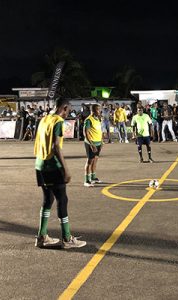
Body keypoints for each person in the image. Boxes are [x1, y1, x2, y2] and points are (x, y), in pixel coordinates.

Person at [34, 98, 86, 249]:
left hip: (40, 164)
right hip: (52, 166)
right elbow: (56, 146)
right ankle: (67, 238)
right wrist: (66, 169)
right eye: (68, 110)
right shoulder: (58, 121)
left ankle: (42, 236)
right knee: (62, 200)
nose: (67, 113)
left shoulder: (44, 119)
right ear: (64, 108)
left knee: (48, 199)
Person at [83, 104, 103, 187]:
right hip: (91, 143)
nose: (99, 111)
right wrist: (91, 144)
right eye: (98, 109)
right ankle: (86, 180)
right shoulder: (88, 120)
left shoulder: (98, 119)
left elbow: (99, 131)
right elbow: (85, 133)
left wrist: (101, 141)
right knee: (89, 161)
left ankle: (93, 178)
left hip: (98, 143)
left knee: (95, 160)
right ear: (93, 110)